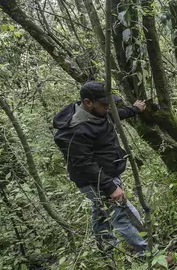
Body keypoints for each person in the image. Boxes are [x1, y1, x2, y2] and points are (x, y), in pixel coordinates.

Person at [53, 81, 148, 253]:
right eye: (105, 104)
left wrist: (135, 109)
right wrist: (110, 187)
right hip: (95, 180)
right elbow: (84, 164)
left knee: (102, 215)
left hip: (106, 175)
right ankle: (149, 254)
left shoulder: (98, 113)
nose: (108, 108)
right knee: (124, 214)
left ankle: (107, 250)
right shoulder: (73, 131)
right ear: (88, 102)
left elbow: (114, 114)